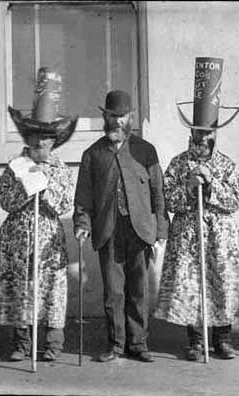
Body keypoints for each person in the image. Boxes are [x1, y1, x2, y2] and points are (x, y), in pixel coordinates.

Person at [153, 57, 239, 361]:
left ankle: (222, 338)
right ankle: (196, 340)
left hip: (220, 236)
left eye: (208, 133)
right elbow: (168, 199)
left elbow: (235, 199)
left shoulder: (226, 164)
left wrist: (210, 187)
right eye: (198, 133)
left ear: (215, 134)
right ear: (191, 134)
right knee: (192, 284)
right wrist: (188, 187)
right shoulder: (178, 163)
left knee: (222, 281)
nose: (203, 138)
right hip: (189, 235)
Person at [73, 90, 169, 363]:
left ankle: (138, 343)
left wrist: (161, 230)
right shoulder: (92, 154)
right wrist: (82, 224)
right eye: (112, 116)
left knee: (139, 290)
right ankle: (116, 344)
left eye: (122, 116)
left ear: (131, 118)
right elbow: (83, 198)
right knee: (114, 291)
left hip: (140, 230)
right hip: (109, 230)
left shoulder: (145, 151)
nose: (116, 121)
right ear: (105, 116)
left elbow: (158, 193)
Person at [0, 67, 77, 362]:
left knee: (52, 289)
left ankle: (52, 344)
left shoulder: (61, 170)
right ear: (27, 138)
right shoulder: (16, 166)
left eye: (46, 140)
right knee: (22, 289)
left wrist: (45, 185)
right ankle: (22, 344)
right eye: (35, 139)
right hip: (19, 238)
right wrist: (27, 184)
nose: (40, 144)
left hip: (49, 240)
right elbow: (4, 200)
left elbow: (64, 204)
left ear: (54, 141)